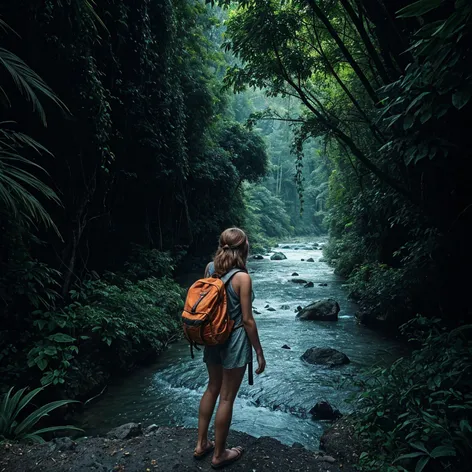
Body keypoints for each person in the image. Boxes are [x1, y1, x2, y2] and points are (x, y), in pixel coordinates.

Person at [193, 227, 266, 469]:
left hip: (212, 336)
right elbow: (247, 320)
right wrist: (258, 351)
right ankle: (220, 454)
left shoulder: (209, 268)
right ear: (244, 248)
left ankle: (201, 443)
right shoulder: (242, 277)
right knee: (226, 397)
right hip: (233, 339)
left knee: (212, 387)